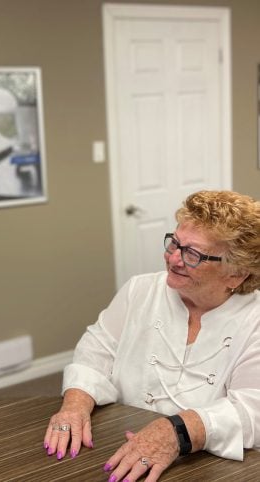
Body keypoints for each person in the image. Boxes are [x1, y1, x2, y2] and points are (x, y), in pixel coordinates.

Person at [44, 190, 260, 482]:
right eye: (174, 243)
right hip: (117, 444)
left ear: (236, 274)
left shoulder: (255, 319)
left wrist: (177, 431)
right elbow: (96, 352)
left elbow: (251, 409)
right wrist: (74, 406)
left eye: (192, 254)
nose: (173, 259)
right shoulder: (140, 291)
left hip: (211, 467)